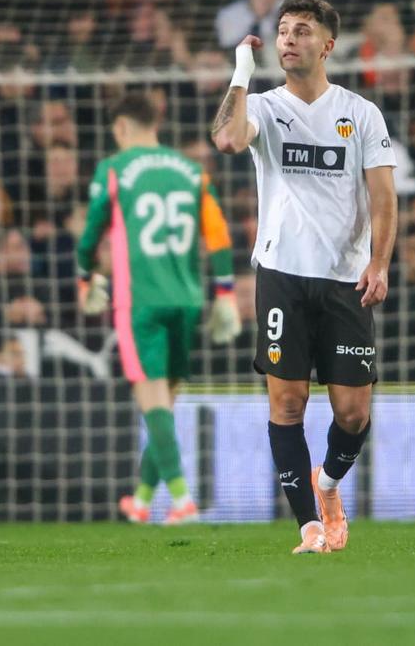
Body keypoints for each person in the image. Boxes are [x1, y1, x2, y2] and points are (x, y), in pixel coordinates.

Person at [210, 0, 397, 554]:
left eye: (303, 31)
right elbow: (226, 138)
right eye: (284, 30)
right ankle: (309, 526)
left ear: (327, 45)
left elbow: (384, 198)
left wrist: (380, 261)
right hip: (282, 277)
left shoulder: (360, 114)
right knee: (287, 405)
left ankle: (329, 486)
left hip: (344, 280)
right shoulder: (263, 107)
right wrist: (240, 74)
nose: (289, 39)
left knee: (352, 411)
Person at [76, 93, 241, 527]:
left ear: (121, 128)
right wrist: (224, 293)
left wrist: (85, 276)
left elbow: (92, 230)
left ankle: (183, 499)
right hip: (187, 300)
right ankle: (143, 498)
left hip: (140, 302)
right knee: (163, 406)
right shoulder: (191, 170)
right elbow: (218, 235)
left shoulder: (114, 169)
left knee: (151, 403)